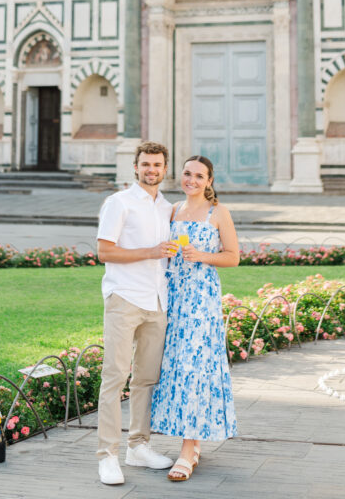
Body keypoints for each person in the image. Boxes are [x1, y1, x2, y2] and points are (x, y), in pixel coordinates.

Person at [150, 154, 239, 482]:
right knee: (176, 368)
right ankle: (192, 441)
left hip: (201, 304)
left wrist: (202, 256)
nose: (192, 180)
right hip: (173, 299)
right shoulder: (173, 210)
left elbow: (233, 257)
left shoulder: (219, 213)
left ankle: (187, 451)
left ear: (209, 181)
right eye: (187, 174)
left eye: (199, 176)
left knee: (195, 369)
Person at [96, 141, 176, 486]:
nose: (151, 170)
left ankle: (138, 446)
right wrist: (151, 252)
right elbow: (104, 251)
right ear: (135, 167)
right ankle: (108, 455)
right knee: (114, 377)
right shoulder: (119, 203)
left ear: (165, 169)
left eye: (157, 165)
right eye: (146, 164)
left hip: (157, 301)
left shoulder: (167, 207)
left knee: (146, 379)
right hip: (124, 298)